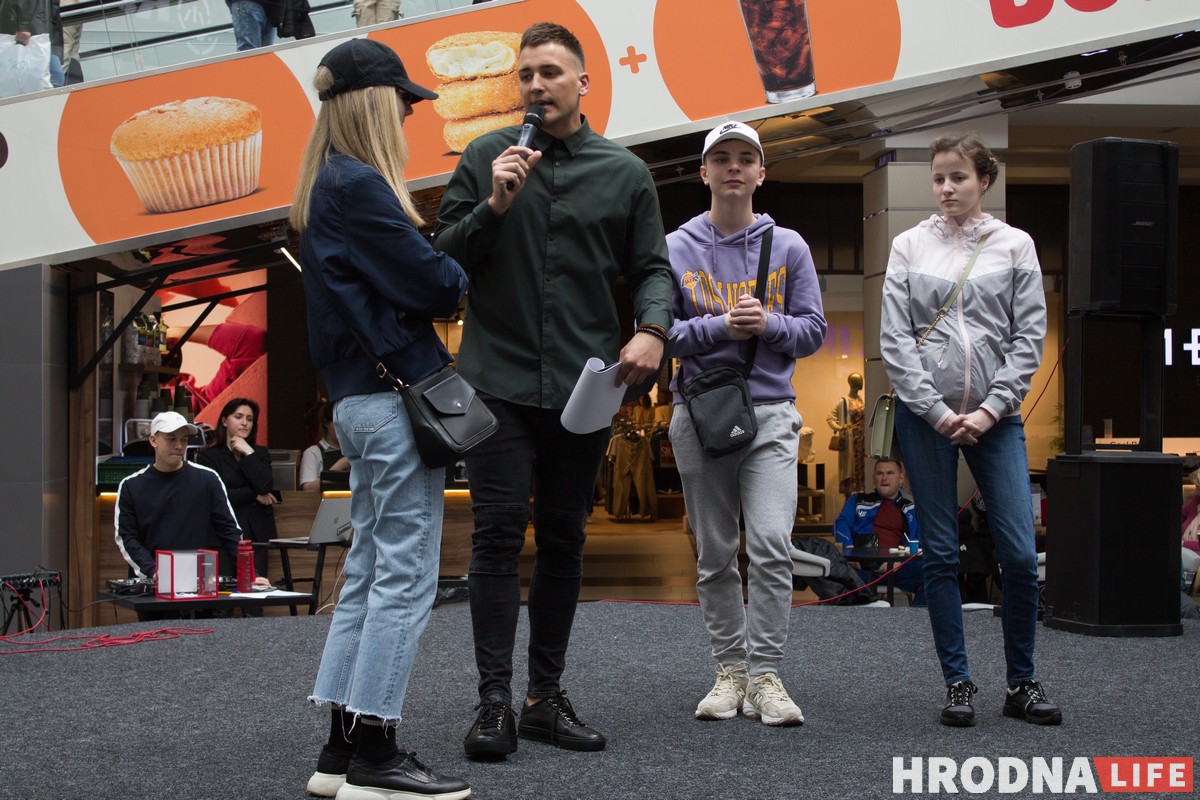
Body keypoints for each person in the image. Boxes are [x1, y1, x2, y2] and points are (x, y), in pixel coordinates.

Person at [432, 21, 672, 760]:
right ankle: (493, 703)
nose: (536, 85)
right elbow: (442, 262)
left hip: (583, 388)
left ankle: (544, 698)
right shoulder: (484, 157)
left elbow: (653, 269)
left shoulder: (625, 173)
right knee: (498, 535)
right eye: (527, 73)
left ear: (583, 83)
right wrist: (495, 204)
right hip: (496, 382)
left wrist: (653, 330)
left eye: (551, 72)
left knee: (566, 537)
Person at [290, 37, 469, 800]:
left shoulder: (324, 186)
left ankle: (341, 750)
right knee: (403, 575)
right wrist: (458, 248)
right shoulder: (359, 186)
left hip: (359, 404)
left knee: (366, 572)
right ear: (372, 104)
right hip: (395, 405)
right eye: (401, 101)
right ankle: (376, 754)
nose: (407, 114)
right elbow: (441, 285)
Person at [880, 132, 1061, 727]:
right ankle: (957, 683)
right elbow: (895, 340)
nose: (946, 188)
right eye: (938, 178)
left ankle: (1021, 682)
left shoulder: (1015, 245)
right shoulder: (908, 245)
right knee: (938, 552)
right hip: (925, 418)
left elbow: (1028, 336)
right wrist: (936, 412)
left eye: (958, 177)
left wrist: (989, 410)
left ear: (984, 179)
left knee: (1019, 553)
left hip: (997, 419)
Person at [666, 120, 826, 726]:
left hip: (771, 413)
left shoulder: (789, 247)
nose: (733, 167)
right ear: (704, 172)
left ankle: (765, 675)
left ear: (761, 172)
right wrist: (720, 327)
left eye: (744, 158)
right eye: (721, 158)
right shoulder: (674, 247)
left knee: (770, 545)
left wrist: (768, 325)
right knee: (715, 552)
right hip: (701, 413)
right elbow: (658, 334)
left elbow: (812, 330)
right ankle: (729, 670)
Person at [114, 411, 243, 581]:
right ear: (153, 440)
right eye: (171, 439)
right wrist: (153, 571)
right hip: (153, 581)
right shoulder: (131, 485)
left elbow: (230, 531)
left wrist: (248, 573)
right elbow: (127, 537)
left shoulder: (208, 479)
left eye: (184, 439)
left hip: (200, 579)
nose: (179, 446)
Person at [195, 398, 278, 579]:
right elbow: (218, 496)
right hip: (222, 535)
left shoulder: (259, 453)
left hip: (256, 534)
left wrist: (248, 452)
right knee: (222, 590)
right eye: (238, 417)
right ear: (225, 421)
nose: (245, 423)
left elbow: (265, 485)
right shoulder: (209, 456)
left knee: (255, 588)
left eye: (249, 419)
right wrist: (254, 494)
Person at [832, 458, 924, 603]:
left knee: (933, 576)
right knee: (832, 579)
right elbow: (841, 523)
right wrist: (849, 550)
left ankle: (913, 618)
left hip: (897, 568)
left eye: (890, 473)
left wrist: (900, 562)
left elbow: (919, 543)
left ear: (901, 479)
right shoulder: (857, 500)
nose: (884, 478)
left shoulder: (911, 509)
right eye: (880, 473)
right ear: (874, 478)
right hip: (862, 568)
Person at [1, 0, 64, 88]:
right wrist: (23, 26)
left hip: (42, 28)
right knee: (54, 79)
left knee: (53, 79)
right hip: (33, 30)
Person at [827, 371, 865, 495]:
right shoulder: (844, 401)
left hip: (861, 440)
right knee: (850, 468)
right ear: (853, 383)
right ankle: (849, 498)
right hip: (851, 440)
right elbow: (830, 418)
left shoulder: (861, 400)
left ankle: (860, 497)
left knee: (860, 468)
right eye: (859, 381)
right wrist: (840, 427)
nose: (861, 383)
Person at [299, 401, 349, 491]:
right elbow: (308, 489)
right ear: (326, 422)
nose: (343, 428)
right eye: (338, 423)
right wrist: (339, 466)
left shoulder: (355, 451)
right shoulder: (313, 453)